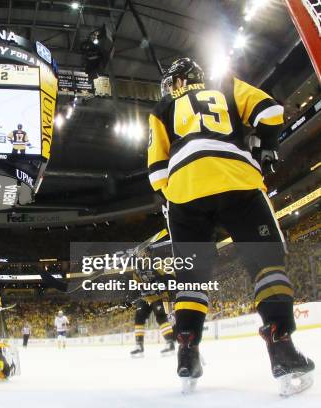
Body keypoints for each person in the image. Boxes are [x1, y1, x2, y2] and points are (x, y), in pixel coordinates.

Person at [147, 57, 314, 395]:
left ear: (178, 82)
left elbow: (156, 174)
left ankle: (187, 353)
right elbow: (270, 113)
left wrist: (179, 199)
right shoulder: (227, 85)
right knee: (267, 265)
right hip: (236, 178)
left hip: (184, 190)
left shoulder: (161, 108)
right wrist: (267, 146)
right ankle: (281, 347)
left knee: (191, 279)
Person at [130, 248, 175, 358]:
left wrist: (160, 283)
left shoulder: (157, 263)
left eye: (141, 253)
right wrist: (138, 291)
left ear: (147, 253)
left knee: (160, 317)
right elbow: (136, 284)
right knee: (139, 318)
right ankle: (139, 346)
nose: (139, 255)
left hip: (159, 295)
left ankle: (170, 343)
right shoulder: (137, 269)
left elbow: (171, 276)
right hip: (146, 297)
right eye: (138, 254)